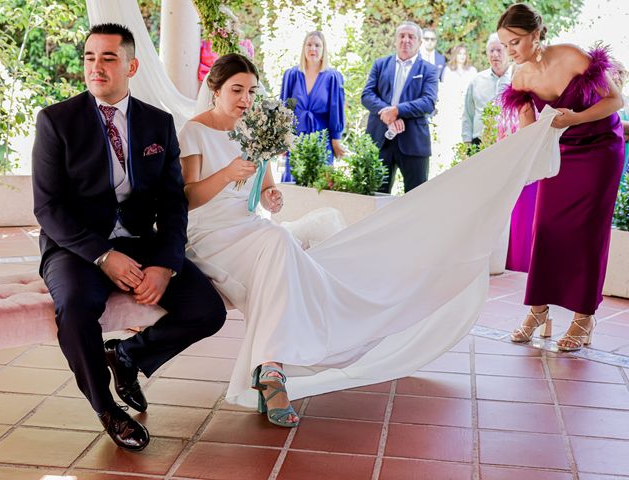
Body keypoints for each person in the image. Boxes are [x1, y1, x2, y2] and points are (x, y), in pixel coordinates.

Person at [179, 52, 566, 429]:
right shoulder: (195, 131)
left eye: (252, 90)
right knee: (280, 247)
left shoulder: (254, 127)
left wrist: (271, 195)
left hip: (251, 230)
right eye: (237, 90)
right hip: (209, 233)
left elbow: (264, 185)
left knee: (279, 242)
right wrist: (228, 172)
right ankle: (274, 368)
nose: (246, 99)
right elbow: (189, 198)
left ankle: (271, 368)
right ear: (215, 91)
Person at [32, 23, 226, 451]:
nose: (95, 67)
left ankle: (130, 355)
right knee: (78, 308)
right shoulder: (56, 122)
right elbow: (47, 209)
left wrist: (165, 263)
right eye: (89, 57)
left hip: (140, 240)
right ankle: (105, 405)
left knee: (207, 310)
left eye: (107, 58)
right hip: (76, 247)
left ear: (131, 65)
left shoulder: (158, 124)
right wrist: (103, 256)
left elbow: (174, 203)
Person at [498, 3, 624, 351]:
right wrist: (522, 158)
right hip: (560, 152)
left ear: (535, 35)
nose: (510, 51)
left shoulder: (570, 56)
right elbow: (527, 128)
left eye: (515, 42)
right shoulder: (520, 75)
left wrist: (574, 120)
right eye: (505, 44)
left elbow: (616, 100)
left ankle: (585, 317)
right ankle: (539, 310)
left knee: (587, 233)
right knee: (546, 227)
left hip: (600, 149)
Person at [361, 22, 438, 193]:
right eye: (401, 36)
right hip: (379, 140)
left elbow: (428, 101)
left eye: (411, 36)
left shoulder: (429, 70)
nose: (406, 40)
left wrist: (396, 111)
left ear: (419, 42)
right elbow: (366, 95)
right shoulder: (380, 65)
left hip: (413, 142)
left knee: (416, 200)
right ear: (395, 40)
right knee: (374, 197)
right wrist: (385, 113)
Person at [279, 31, 345, 182]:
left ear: (323, 49)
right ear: (303, 48)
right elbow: (285, 109)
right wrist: (283, 138)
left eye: (317, 45)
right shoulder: (292, 75)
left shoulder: (332, 78)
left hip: (321, 140)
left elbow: (336, 111)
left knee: (320, 186)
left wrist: (336, 140)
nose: (312, 49)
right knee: (293, 186)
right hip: (295, 140)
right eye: (309, 44)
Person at [433, 44, 477, 172]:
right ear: (455, 55)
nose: (462, 57)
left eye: (464, 54)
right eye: (459, 54)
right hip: (451, 108)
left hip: (466, 107)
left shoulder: (472, 71)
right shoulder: (448, 70)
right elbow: (446, 91)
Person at [462, 33, 512, 146]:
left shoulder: (517, 79)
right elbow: (467, 114)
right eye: (491, 50)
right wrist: (466, 142)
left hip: (509, 141)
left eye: (499, 50)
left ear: (508, 51)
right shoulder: (476, 81)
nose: (495, 54)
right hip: (479, 141)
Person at [611, 60, 629, 173]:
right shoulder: (594, 99)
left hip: (621, 167)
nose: (617, 76)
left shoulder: (627, 102)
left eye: (621, 73)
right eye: (613, 72)